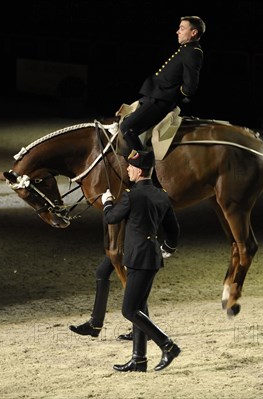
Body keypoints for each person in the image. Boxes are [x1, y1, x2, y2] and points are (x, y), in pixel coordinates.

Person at [101, 150, 180, 372]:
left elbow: (111, 218)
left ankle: (168, 346)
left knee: (129, 310)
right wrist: (167, 248)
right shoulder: (162, 195)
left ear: (138, 170)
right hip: (151, 256)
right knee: (139, 308)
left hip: (138, 258)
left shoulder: (131, 196)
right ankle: (139, 359)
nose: (127, 169)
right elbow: (174, 230)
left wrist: (107, 202)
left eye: (130, 167)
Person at [121, 16, 205, 153]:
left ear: (194, 32)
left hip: (161, 100)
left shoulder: (193, 52)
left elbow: (190, 87)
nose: (178, 31)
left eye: (182, 28)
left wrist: (173, 94)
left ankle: (142, 167)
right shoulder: (185, 49)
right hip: (154, 95)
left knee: (127, 128)